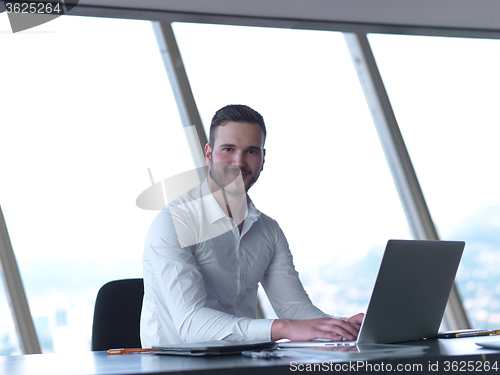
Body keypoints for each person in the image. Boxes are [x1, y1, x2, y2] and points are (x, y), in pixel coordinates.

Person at [140, 104, 364, 347]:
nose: (239, 162)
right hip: (174, 366)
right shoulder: (174, 222)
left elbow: (294, 309)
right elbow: (191, 325)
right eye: (228, 149)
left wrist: (342, 327)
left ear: (263, 159)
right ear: (208, 154)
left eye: (251, 151)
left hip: (242, 361)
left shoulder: (268, 230)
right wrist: (282, 327)